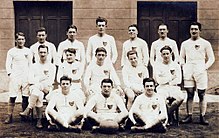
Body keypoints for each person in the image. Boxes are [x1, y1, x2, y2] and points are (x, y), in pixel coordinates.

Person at [180, 22, 215, 125]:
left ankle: (202, 116)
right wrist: (183, 65)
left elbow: (211, 58)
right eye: (192, 29)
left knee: (201, 94)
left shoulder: (205, 43)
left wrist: (204, 67)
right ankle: (189, 115)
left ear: (200, 30)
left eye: (196, 29)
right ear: (190, 30)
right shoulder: (185, 43)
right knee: (189, 93)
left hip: (200, 68)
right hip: (189, 68)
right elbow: (181, 57)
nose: (194, 31)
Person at [19, 45, 56, 128]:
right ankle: (39, 121)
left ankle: (28, 109)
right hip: (35, 88)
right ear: (38, 53)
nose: (42, 54)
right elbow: (30, 80)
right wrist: (42, 79)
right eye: (41, 52)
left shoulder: (52, 66)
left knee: (38, 90)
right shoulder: (33, 66)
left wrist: (38, 80)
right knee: (39, 94)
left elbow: (50, 80)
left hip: (47, 88)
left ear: (48, 53)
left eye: (44, 52)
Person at [4, 32, 32, 124]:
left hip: (25, 76)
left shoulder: (28, 51)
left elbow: (30, 64)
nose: (21, 41)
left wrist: (30, 76)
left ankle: (24, 115)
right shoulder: (11, 51)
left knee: (25, 97)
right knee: (12, 96)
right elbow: (8, 64)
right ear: (16, 40)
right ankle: (9, 116)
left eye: (22, 39)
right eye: (19, 39)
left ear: (25, 40)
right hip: (15, 77)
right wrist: (10, 74)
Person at [153, 46, 184, 125]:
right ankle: (169, 116)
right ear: (161, 55)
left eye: (167, 53)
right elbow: (159, 81)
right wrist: (171, 77)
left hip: (174, 87)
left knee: (181, 97)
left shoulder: (176, 65)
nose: (166, 56)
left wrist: (167, 81)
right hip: (162, 88)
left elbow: (179, 80)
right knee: (161, 98)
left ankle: (168, 113)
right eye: (164, 54)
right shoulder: (158, 66)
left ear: (171, 54)